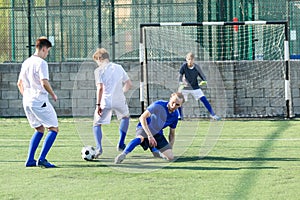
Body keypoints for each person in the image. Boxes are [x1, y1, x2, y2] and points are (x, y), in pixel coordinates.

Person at [17, 37, 58, 168]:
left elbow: (19, 83)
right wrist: (53, 94)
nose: (47, 54)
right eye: (47, 52)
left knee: (39, 129)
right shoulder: (41, 63)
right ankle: (42, 159)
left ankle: (30, 160)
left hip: (27, 101)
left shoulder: (26, 62)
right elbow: (44, 82)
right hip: (39, 100)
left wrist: (27, 97)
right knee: (53, 128)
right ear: (44, 49)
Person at [115, 92, 185, 164]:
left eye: (177, 104)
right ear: (170, 99)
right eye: (173, 102)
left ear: (180, 105)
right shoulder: (158, 104)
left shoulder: (175, 115)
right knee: (140, 138)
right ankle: (123, 154)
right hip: (145, 127)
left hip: (157, 133)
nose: (173, 106)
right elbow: (142, 117)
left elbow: (172, 134)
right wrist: (150, 136)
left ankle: (153, 148)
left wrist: (169, 148)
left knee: (170, 157)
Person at [92, 48, 132, 158]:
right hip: (119, 100)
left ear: (100, 59)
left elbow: (100, 88)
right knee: (125, 117)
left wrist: (98, 105)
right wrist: (121, 92)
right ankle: (121, 142)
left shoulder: (99, 71)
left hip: (105, 100)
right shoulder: (118, 67)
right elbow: (129, 84)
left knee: (96, 124)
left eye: (97, 61)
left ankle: (99, 148)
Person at [178, 52, 221, 120]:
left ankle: (213, 115)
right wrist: (181, 83)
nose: (190, 61)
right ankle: (179, 116)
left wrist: (204, 81)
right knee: (179, 100)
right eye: (188, 59)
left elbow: (203, 76)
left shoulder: (197, 67)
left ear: (194, 60)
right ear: (186, 59)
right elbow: (180, 76)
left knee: (204, 100)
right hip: (185, 87)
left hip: (195, 87)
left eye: (191, 59)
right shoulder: (184, 66)